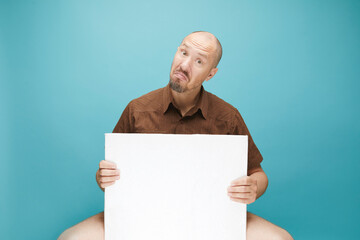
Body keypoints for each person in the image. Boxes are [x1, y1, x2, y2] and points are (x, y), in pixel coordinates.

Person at [58, 31, 293, 240]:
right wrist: (102, 178)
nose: (184, 65)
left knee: (280, 238)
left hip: (211, 219)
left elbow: (258, 174)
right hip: (140, 217)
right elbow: (106, 176)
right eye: (183, 53)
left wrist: (254, 186)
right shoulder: (137, 109)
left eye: (199, 61)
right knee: (71, 238)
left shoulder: (228, 117)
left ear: (211, 74)